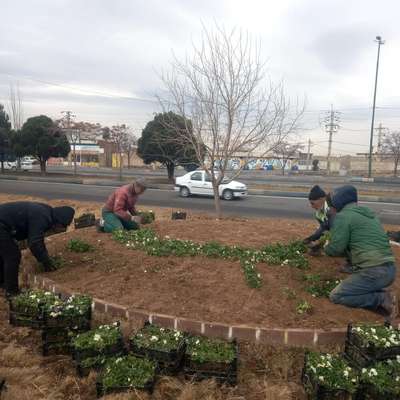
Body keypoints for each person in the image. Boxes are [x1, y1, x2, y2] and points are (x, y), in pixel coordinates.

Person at [324, 185, 398, 319]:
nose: (331, 208)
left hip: (374, 272)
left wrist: (325, 248)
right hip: (390, 270)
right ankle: (382, 300)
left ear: (339, 203)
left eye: (332, 205)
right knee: (360, 286)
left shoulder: (343, 216)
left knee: (337, 295)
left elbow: (336, 248)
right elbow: (357, 244)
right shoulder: (368, 214)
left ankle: (381, 298)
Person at [0, 202, 75, 297]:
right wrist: (46, 262)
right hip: (2, 225)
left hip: (4, 225)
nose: (62, 229)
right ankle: (12, 292)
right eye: (63, 226)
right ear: (58, 221)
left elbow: (37, 240)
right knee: (12, 256)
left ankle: (3, 285)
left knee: (5, 253)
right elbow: (35, 242)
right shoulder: (43, 216)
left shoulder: (45, 212)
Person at [303, 185, 332, 253]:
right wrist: (312, 238)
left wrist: (321, 245)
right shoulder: (318, 214)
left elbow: (335, 229)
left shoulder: (333, 207)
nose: (312, 206)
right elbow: (323, 228)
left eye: (313, 203)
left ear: (322, 199)